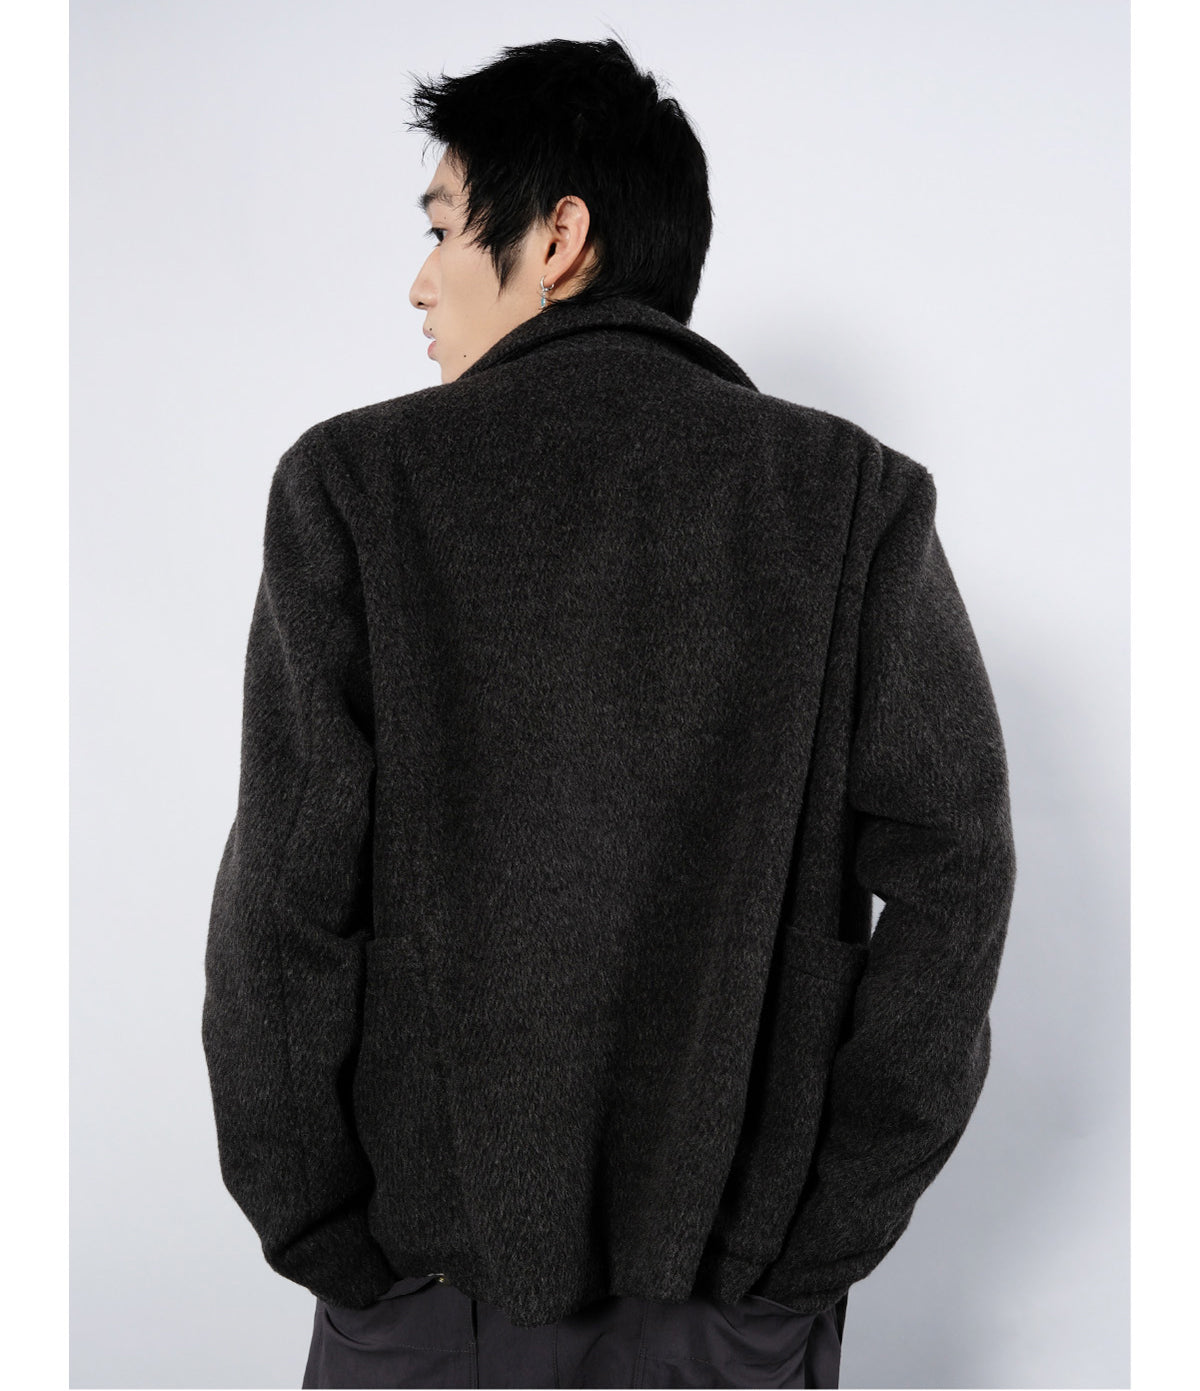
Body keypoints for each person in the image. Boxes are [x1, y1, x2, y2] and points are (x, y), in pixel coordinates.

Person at [201, 33, 1017, 1390]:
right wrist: (821, 1234)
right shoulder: (849, 498)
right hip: (733, 1316)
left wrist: (327, 1237)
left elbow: (286, 901)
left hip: (429, 1309)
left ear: (560, 235)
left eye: (444, 227)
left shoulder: (354, 484)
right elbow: (959, 872)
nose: (419, 280)